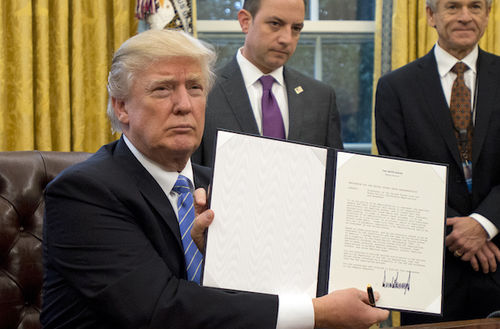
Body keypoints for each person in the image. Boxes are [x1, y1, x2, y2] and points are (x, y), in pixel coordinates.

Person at [41, 29, 388, 329]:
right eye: (162, 89)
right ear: (121, 107)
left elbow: (268, 292)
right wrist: (316, 314)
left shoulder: (227, 184)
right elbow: (159, 311)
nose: (183, 105)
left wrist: (225, 261)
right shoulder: (83, 193)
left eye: (194, 87)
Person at [375, 0, 500, 324]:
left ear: (487, 15)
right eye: (452, 6)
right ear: (431, 16)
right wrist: (461, 232)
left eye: (475, 6)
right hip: (429, 274)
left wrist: (483, 224)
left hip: (497, 264)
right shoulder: (395, 87)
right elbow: (396, 177)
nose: (464, 16)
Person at [191, 0, 343, 166]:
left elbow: (334, 177)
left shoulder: (320, 98)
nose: (287, 39)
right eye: (275, 24)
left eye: (296, 28)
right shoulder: (203, 92)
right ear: (245, 21)